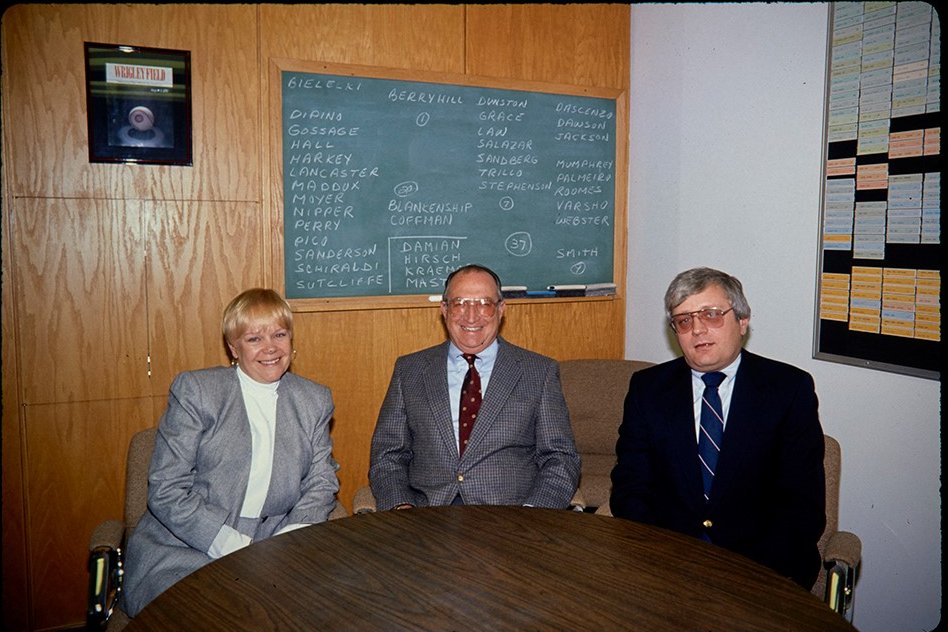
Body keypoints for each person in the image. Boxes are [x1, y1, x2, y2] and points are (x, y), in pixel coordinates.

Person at [122, 288, 340, 616]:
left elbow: (321, 482)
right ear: (232, 347)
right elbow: (166, 490)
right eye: (254, 338)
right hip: (187, 548)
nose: (270, 348)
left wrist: (291, 540)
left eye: (279, 334)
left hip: (276, 546)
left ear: (292, 342)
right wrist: (233, 546)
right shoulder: (198, 392)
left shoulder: (313, 399)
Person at [609, 267, 825, 589]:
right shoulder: (648, 389)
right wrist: (663, 558)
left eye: (711, 315)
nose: (697, 329)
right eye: (684, 320)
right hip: (665, 566)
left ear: (742, 321)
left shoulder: (788, 390)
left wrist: (741, 576)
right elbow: (630, 488)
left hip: (763, 572)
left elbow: (801, 507)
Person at [369, 264, 580, 510]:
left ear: (501, 309)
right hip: (427, 520)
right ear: (444, 310)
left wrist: (533, 514)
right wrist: (401, 506)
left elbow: (561, 458)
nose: (471, 316)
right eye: (460, 303)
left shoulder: (538, 372)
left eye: (484, 303)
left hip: (510, 521)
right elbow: (387, 456)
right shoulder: (410, 370)